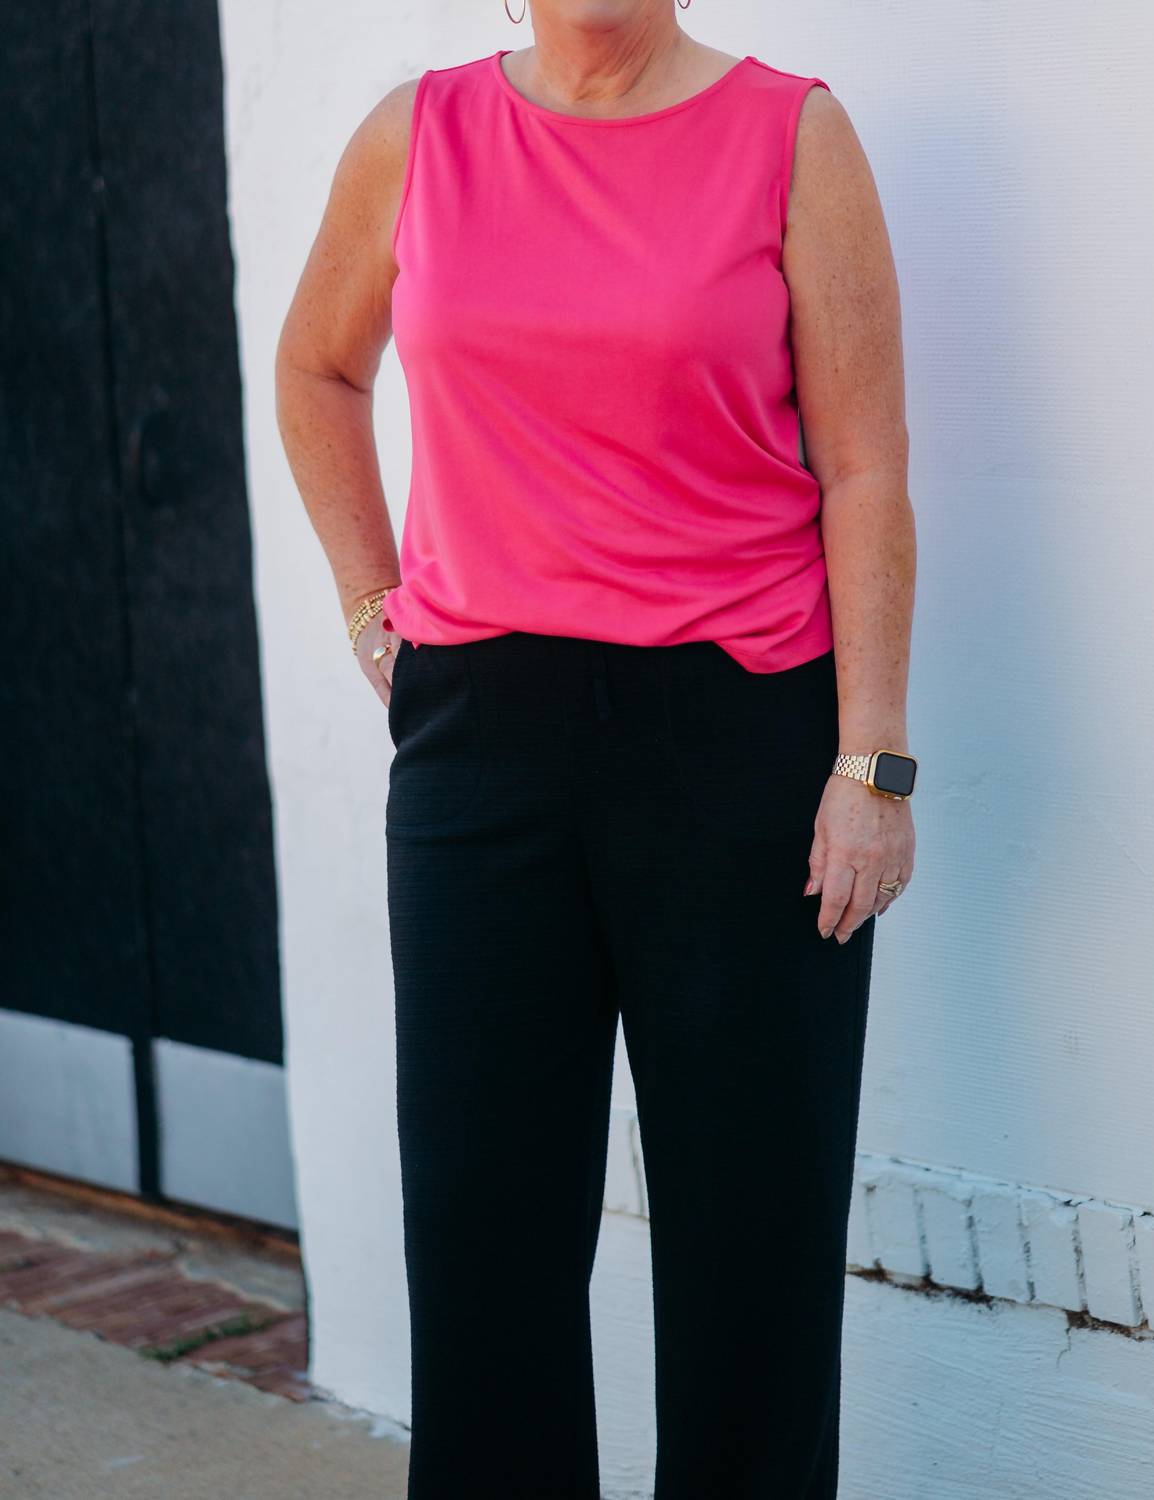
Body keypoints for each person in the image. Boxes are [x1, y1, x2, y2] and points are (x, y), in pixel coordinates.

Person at [275, 2, 916, 1494]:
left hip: (742, 748)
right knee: (482, 1238)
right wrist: (373, 602)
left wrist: (871, 762)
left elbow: (865, 462)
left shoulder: (791, 134)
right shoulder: (418, 135)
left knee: (750, 1245)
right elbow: (317, 369)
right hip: (481, 753)